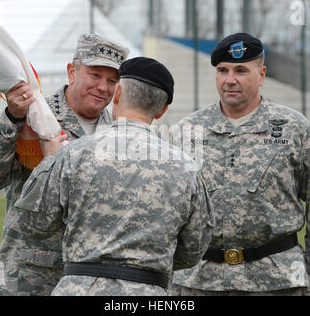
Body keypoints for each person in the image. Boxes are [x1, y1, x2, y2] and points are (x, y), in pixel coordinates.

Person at [13, 57, 214, 296]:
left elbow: (31, 224)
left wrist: (48, 161)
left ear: (116, 94)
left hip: (78, 287)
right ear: (162, 110)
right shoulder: (186, 167)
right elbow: (193, 248)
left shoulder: (73, 155)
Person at [171, 33, 310, 296]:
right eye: (222, 70)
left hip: (276, 283)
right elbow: (168, 215)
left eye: (240, 71)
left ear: (261, 75)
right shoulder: (186, 132)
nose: (230, 80)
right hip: (199, 284)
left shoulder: (294, 129)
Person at [0, 34, 130, 296]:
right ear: (72, 72)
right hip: (29, 280)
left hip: (91, 282)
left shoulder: (118, 133)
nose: (103, 87)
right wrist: (11, 119)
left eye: (112, 81)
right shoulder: (35, 115)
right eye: (95, 75)